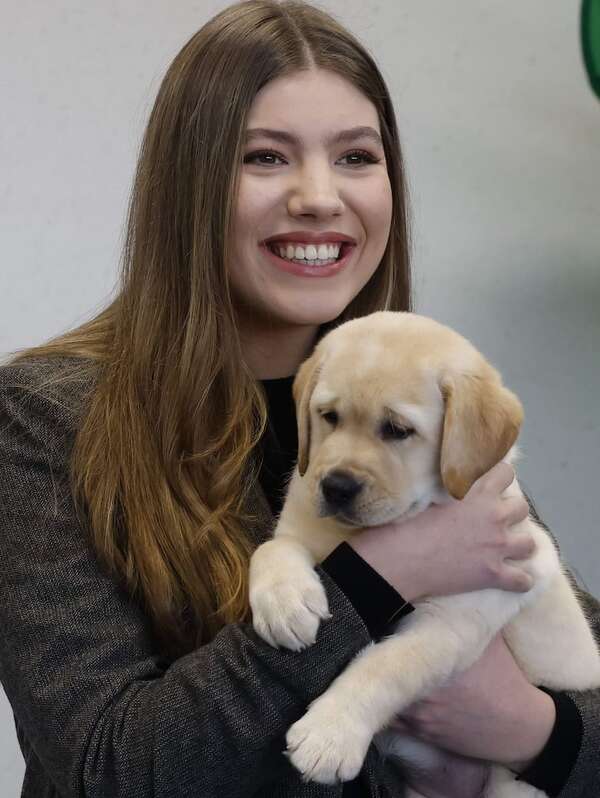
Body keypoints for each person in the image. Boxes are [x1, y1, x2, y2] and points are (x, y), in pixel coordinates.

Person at [0, 2, 598, 796]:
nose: (320, 197)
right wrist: (377, 577)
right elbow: (105, 767)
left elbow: (571, 653)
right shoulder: (46, 416)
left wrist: (528, 729)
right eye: (265, 157)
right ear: (191, 184)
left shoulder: (428, 395)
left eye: (356, 156)